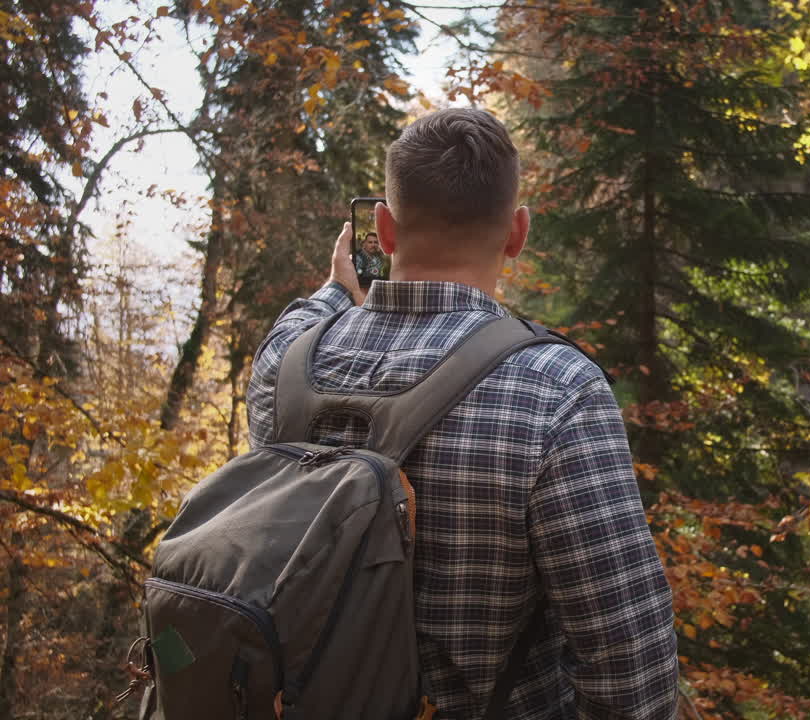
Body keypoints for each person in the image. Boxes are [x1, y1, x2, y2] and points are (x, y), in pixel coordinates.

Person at [245, 108, 679, 719]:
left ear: (384, 230)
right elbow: (632, 676)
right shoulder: (558, 389)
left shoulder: (283, 368)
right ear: (517, 233)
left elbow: (294, 325)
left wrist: (338, 287)